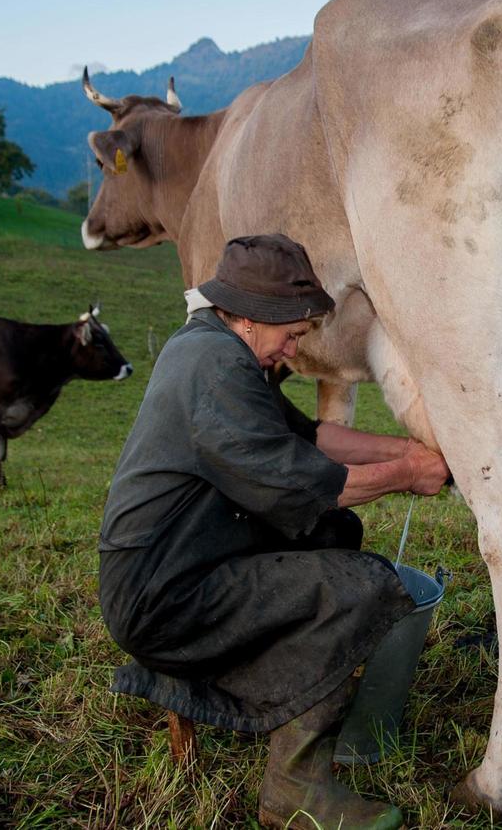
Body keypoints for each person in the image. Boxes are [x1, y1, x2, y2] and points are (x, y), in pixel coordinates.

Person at [98, 233, 448, 830]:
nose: (293, 347)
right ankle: (294, 788)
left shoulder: (220, 351)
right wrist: (409, 473)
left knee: (335, 532)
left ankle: (261, 689)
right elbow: (302, 481)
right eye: (292, 332)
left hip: (188, 564)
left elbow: (309, 437)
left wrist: (407, 446)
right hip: (166, 595)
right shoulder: (215, 367)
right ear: (254, 317)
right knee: (362, 586)